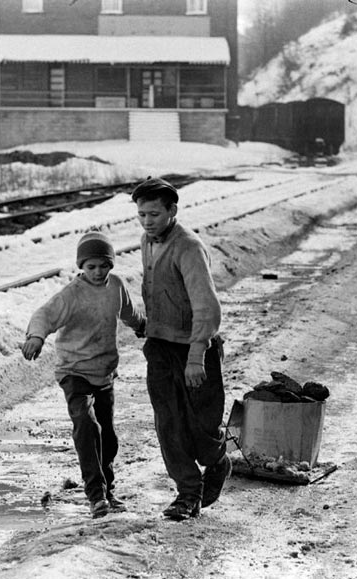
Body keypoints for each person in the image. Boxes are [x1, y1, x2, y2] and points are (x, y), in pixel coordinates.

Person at [21, 231, 146, 519]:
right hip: (74, 372)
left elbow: (129, 313)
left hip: (104, 373)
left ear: (111, 265)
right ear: (82, 266)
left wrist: (142, 327)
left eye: (104, 265)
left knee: (108, 436)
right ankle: (96, 496)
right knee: (87, 428)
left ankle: (108, 489)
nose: (98, 272)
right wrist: (36, 338)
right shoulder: (72, 294)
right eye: (91, 267)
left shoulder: (115, 286)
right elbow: (44, 314)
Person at [132, 176, 231, 521]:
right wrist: (146, 323)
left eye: (154, 214)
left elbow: (207, 308)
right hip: (160, 347)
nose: (147, 222)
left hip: (194, 349)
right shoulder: (147, 241)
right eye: (142, 214)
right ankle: (188, 493)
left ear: (173, 211)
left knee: (200, 427)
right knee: (168, 425)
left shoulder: (188, 247)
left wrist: (195, 357)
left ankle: (217, 459)